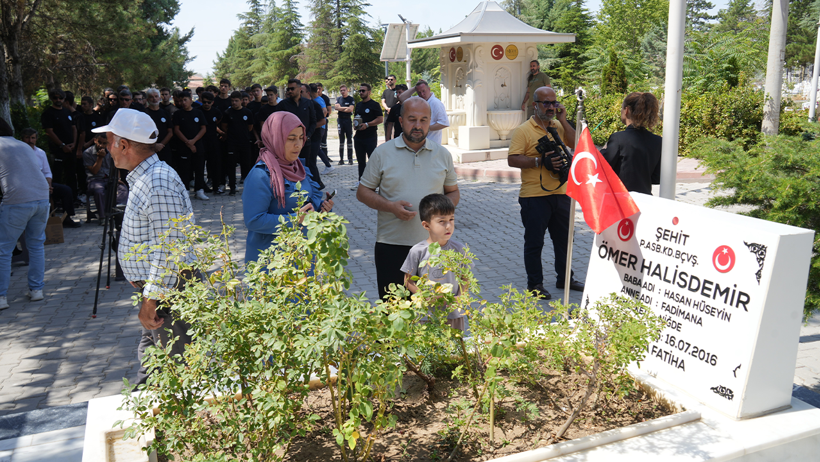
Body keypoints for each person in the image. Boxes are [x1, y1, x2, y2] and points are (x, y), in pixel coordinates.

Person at [92, 108, 195, 386]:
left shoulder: (156, 181)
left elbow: (170, 249)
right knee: (154, 364)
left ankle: (179, 423)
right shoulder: (146, 177)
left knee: (175, 370)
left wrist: (151, 301)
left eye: (109, 141)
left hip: (166, 291)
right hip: (157, 289)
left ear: (123, 144)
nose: (107, 148)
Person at [356, 96, 459, 299]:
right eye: (412, 119)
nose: (418, 125)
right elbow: (363, 192)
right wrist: (391, 206)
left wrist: (440, 214)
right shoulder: (382, 153)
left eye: (424, 120)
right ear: (401, 121)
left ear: (430, 122)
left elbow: (453, 192)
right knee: (394, 312)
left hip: (433, 247)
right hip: (392, 246)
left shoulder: (443, 154)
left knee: (433, 312)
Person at [507, 86, 583, 300]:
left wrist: (564, 119)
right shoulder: (524, 130)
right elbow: (512, 159)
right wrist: (539, 161)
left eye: (554, 102)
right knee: (535, 242)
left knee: (564, 240)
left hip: (561, 193)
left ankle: (565, 278)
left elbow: (575, 142)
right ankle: (535, 284)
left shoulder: (557, 125)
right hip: (534, 196)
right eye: (546, 103)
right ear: (536, 105)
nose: (551, 107)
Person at [243, 111, 333, 264]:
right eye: (291, 139)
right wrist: (294, 220)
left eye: (300, 138)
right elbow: (254, 220)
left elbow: (308, 209)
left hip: (303, 256)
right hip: (272, 262)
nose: (298, 144)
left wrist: (321, 210)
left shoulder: (300, 168)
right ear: (275, 139)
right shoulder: (261, 175)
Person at [0, 118, 49, 310]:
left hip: (17, 200)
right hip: (42, 197)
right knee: (36, 245)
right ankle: (36, 290)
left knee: (3, 249)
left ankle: (1, 297)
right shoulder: (23, 145)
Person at [401, 193, 467, 331]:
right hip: (426, 315)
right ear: (426, 225)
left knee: (455, 350)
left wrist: (460, 297)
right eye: (442, 221)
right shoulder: (417, 251)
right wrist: (424, 297)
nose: (448, 226)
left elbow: (465, 278)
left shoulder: (459, 249)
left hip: (453, 314)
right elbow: (408, 281)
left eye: (451, 219)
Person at [601, 92, 662, 195]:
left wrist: (603, 149)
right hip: (646, 199)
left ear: (627, 110)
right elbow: (656, 178)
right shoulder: (658, 141)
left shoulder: (618, 138)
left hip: (622, 201)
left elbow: (602, 166)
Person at [21, 128, 80, 228]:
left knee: (66, 190)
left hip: (43, 183)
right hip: (27, 185)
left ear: (36, 139)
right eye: (27, 138)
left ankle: (67, 218)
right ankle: (42, 222)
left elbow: (47, 172)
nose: (30, 141)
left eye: (33, 138)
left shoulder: (40, 153)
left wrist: (48, 185)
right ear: (22, 139)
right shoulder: (19, 153)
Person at [40, 89, 78, 199]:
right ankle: (56, 201)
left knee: (71, 175)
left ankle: (73, 199)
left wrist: (74, 143)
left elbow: (74, 128)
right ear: (51, 99)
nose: (58, 100)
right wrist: (62, 145)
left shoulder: (67, 112)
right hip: (57, 151)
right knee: (57, 176)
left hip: (71, 149)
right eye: (55, 98)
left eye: (60, 98)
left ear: (64, 99)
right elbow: (49, 131)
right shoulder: (48, 113)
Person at [172, 90, 209, 200]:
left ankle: (199, 190)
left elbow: (203, 128)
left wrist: (193, 141)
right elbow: (176, 130)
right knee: (185, 169)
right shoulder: (178, 114)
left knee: (199, 168)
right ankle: (185, 191)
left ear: (190, 100)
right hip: (184, 146)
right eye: (181, 100)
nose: (183, 102)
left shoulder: (198, 113)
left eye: (185, 100)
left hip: (197, 145)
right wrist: (188, 143)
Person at [83, 134, 128, 222]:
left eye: (104, 143)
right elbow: (94, 171)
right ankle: (103, 217)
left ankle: (119, 213)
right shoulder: (88, 153)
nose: (101, 145)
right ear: (95, 140)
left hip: (109, 178)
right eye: (99, 142)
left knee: (123, 189)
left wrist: (118, 179)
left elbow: (116, 167)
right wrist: (100, 158)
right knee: (99, 191)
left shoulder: (111, 151)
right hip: (95, 179)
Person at [220, 90, 257, 195]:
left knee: (246, 165)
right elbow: (224, 126)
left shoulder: (247, 112)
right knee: (231, 165)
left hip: (244, 143)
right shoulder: (228, 112)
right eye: (232, 101)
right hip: (232, 143)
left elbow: (250, 127)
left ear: (241, 101)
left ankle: (248, 187)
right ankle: (232, 187)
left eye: (236, 101)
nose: (234, 103)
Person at [397, 80, 448, 145]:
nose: (422, 94)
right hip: (418, 143)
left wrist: (426, 128)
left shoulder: (436, 103)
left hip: (432, 143)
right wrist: (415, 88)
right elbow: (402, 98)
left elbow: (444, 123)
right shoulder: (418, 100)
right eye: (419, 92)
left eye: (423, 91)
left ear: (429, 89)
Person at [352, 83, 383, 186]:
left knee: (372, 160)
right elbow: (356, 117)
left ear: (369, 92)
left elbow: (380, 119)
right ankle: (361, 181)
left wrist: (367, 124)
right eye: (360, 91)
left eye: (363, 91)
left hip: (370, 137)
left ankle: (375, 182)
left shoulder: (374, 105)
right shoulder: (359, 105)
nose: (361, 92)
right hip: (359, 137)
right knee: (360, 161)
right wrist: (355, 125)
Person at [199, 92, 223, 194]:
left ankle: (216, 187)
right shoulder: (198, 112)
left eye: (209, 102)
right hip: (201, 141)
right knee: (200, 165)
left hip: (213, 141)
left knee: (215, 165)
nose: (206, 104)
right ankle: (201, 187)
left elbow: (218, 121)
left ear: (212, 102)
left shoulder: (216, 112)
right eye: (204, 102)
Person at [308, 84, 333, 177]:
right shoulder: (315, 100)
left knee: (316, 148)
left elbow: (325, 111)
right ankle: (328, 165)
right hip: (319, 127)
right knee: (317, 148)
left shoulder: (318, 100)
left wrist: (317, 119)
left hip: (320, 127)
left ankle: (328, 165)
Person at [144, 89, 174, 165]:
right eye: (151, 97)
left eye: (156, 96)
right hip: (148, 150)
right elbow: (141, 132)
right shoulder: (143, 114)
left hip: (164, 148)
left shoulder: (165, 113)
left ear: (160, 98)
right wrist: (153, 146)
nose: (154, 99)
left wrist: (160, 145)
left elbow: (170, 132)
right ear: (147, 99)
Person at [334, 84, 355, 165]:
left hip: (348, 120)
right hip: (340, 120)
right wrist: (345, 108)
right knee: (341, 140)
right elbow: (336, 107)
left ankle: (350, 159)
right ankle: (341, 159)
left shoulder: (350, 99)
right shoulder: (339, 99)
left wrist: (341, 108)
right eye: (341, 90)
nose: (343, 92)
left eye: (344, 90)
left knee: (349, 139)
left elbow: (350, 109)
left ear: (347, 90)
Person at [381, 75, 398, 142]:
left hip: (396, 114)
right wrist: (387, 109)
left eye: (391, 79)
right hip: (387, 114)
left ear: (395, 81)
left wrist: (393, 109)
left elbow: (400, 100)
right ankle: (387, 144)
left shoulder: (397, 90)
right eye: (388, 79)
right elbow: (383, 101)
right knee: (387, 131)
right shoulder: (385, 91)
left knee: (397, 131)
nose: (389, 81)